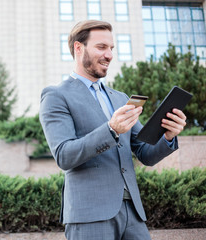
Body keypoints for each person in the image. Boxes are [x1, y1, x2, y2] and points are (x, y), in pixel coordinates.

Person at [39, 20, 187, 240]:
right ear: (78, 48)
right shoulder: (56, 96)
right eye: (101, 47)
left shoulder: (121, 98)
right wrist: (110, 130)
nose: (109, 55)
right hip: (89, 216)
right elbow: (64, 155)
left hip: (133, 214)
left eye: (111, 49)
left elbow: (145, 154)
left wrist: (168, 136)